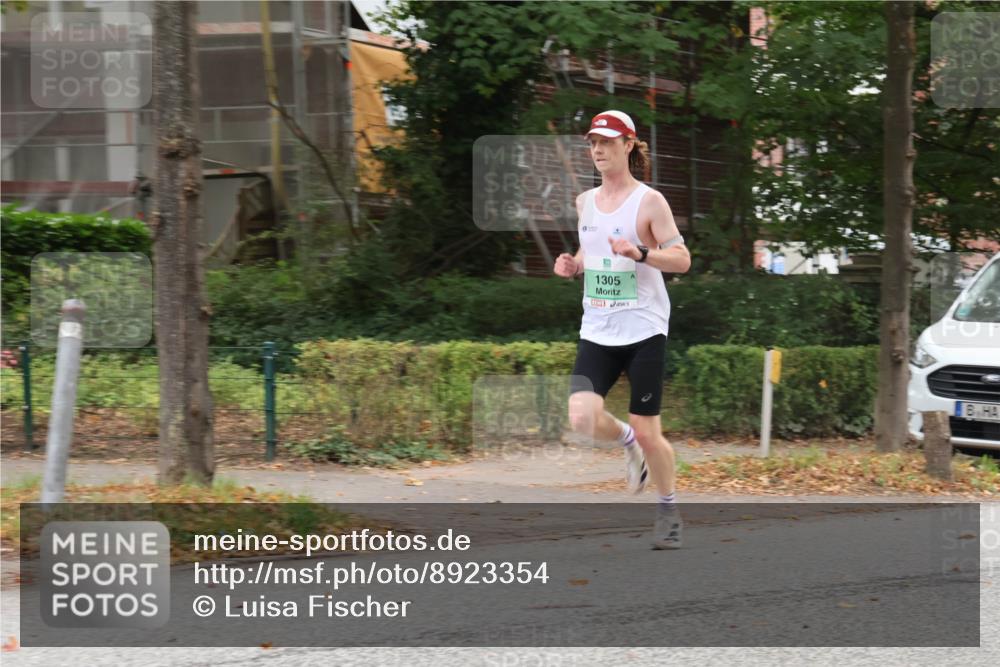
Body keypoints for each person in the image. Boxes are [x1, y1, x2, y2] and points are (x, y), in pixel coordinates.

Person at [553, 110, 691, 549]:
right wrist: (574, 265)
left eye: (608, 143)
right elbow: (590, 250)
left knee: (650, 430)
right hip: (598, 327)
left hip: (644, 327)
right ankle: (626, 441)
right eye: (594, 143)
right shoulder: (585, 202)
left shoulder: (649, 201)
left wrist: (641, 253)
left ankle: (668, 509)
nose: (598, 150)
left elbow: (682, 259)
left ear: (629, 145)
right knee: (581, 416)